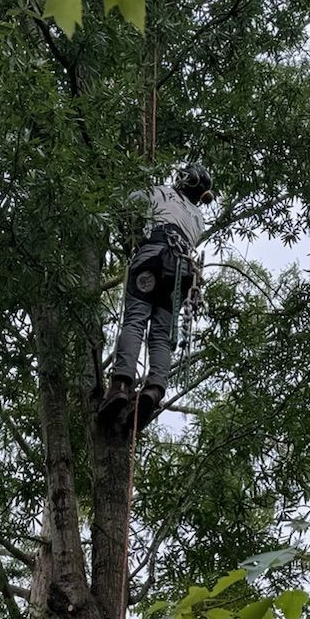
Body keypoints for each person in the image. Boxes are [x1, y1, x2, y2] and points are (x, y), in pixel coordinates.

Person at [100, 161, 214, 435]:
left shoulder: (160, 191)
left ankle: (121, 385)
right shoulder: (198, 217)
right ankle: (154, 388)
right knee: (161, 335)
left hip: (154, 255)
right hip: (182, 271)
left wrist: (131, 237)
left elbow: (126, 203)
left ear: (182, 179)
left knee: (136, 320)